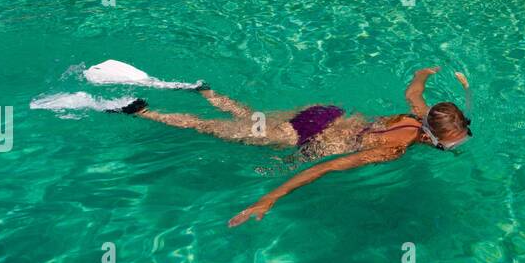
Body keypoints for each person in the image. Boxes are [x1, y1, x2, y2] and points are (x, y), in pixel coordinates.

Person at [113, 67, 471, 226]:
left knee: (252, 119)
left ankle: (208, 92)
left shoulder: (421, 115)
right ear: (429, 136)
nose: (451, 148)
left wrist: (424, 72)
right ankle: (144, 112)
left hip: (324, 114)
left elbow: (413, 91)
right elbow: (324, 167)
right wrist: (270, 197)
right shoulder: (392, 151)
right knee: (217, 131)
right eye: (448, 144)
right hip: (305, 138)